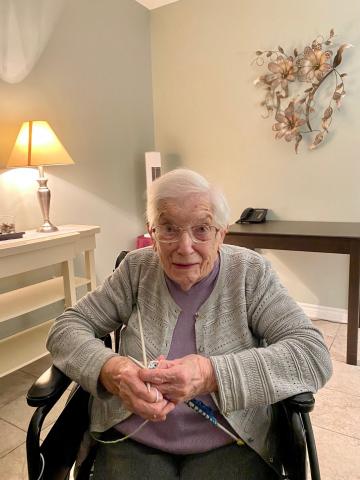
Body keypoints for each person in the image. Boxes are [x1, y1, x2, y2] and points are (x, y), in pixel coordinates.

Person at [47, 168, 332, 480]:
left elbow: (311, 355)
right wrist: (111, 371)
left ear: (222, 233)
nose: (185, 247)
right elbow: (66, 328)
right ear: (151, 233)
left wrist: (210, 374)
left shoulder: (251, 274)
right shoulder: (136, 270)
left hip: (231, 440)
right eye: (168, 228)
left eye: (202, 229)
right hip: (132, 438)